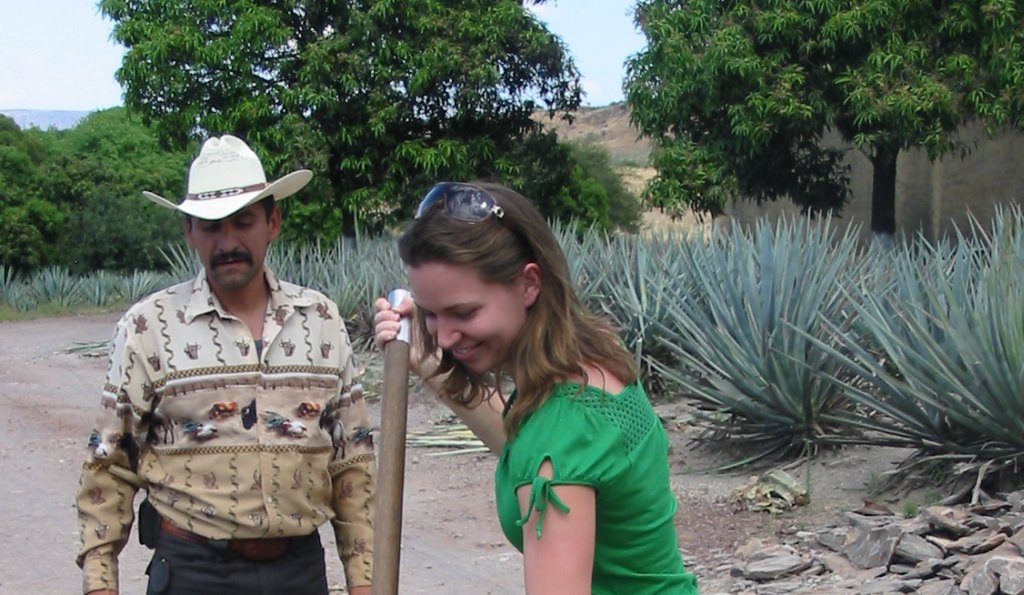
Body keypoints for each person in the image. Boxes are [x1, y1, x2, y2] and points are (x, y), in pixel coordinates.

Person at [75, 135, 375, 595]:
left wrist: (365, 582)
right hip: (193, 572)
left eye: (243, 222)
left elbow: (352, 462)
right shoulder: (149, 327)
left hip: (298, 573)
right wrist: (100, 584)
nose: (228, 242)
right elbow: (109, 463)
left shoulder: (321, 320)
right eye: (211, 227)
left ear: (272, 222)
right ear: (189, 232)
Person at [373, 182, 699, 594]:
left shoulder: (561, 432)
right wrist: (424, 359)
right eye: (431, 314)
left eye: (464, 312)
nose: (445, 337)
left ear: (529, 284)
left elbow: (548, 447)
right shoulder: (587, 367)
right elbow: (521, 442)